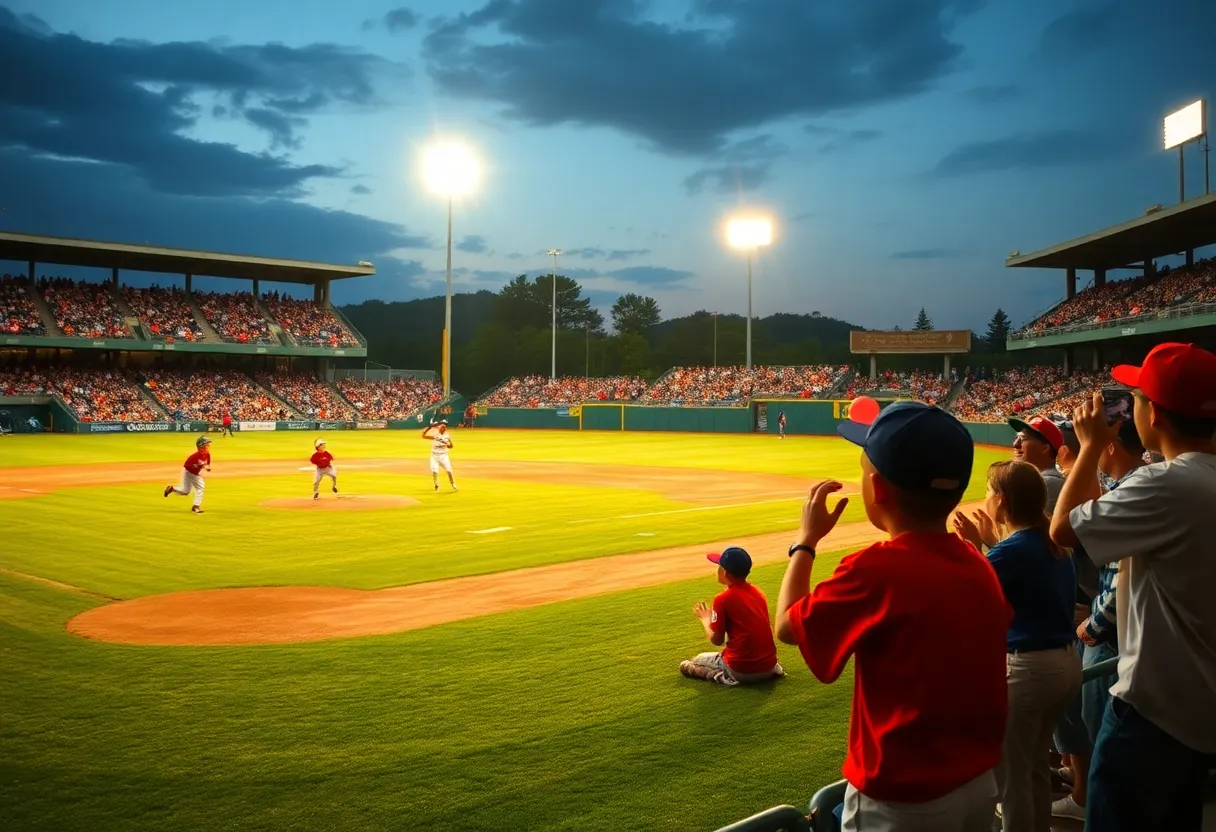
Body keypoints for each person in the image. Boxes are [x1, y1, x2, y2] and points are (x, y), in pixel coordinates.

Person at [775, 402, 1010, 831]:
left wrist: (805, 542)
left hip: (900, 801)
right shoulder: (979, 563)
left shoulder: (875, 569)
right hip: (977, 786)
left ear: (877, 489)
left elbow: (788, 626)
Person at [1050, 342, 1216, 832]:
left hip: (1151, 719)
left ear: (1155, 414)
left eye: (1138, 397)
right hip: (1199, 717)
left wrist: (1085, 450)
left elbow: (1062, 532)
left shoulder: (1166, 484)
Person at [954, 460, 1081, 832]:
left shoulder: (1013, 550)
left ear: (1002, 499)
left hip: (1029, 671)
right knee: (1035, 769)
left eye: (991, 491)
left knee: (1011, 781)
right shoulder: (1051, 539)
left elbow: (972, 597)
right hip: (1065, 665)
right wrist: (987, 544)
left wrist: (974, 547)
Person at [680, 547, 784, 687]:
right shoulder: (758, 593)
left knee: (696, 660)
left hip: (742, 671)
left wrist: (705, 619)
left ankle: (723, 676)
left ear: (724, 572)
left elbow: (716, 640)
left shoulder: (722, 599)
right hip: (770, 666)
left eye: (718, 566)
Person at [1007, 415, 1065, 510]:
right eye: (1017, 437)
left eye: (1024, 438)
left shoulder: (1045, 484)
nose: (1016, 444)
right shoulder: (1045, 479)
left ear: (1045, 448)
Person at [163, 435, 211, 514]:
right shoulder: (194, 456)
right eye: (207, 445)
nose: (208, 446)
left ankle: (172, 489)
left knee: (186, 491)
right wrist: (198, 467)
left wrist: (207, 467)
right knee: (200, 487)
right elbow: (187, 466)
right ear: (201, 446)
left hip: (195, 473)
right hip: (189, 472)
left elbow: (207, 463)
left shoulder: (207, 454)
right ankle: (196, 507)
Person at [423, 419, 457, 492]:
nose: (442, 428)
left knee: (449, 470)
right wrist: (429, 428)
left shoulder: (447, 436)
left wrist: (448, 444)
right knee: (434, 470)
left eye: (444, 427)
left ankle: (453, 483)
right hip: (434, 456)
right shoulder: (435, 435)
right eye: (441, 427)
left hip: (444, 456)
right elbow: (423, 436)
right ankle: (436, 483)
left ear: (445, 429)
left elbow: (451, 446)